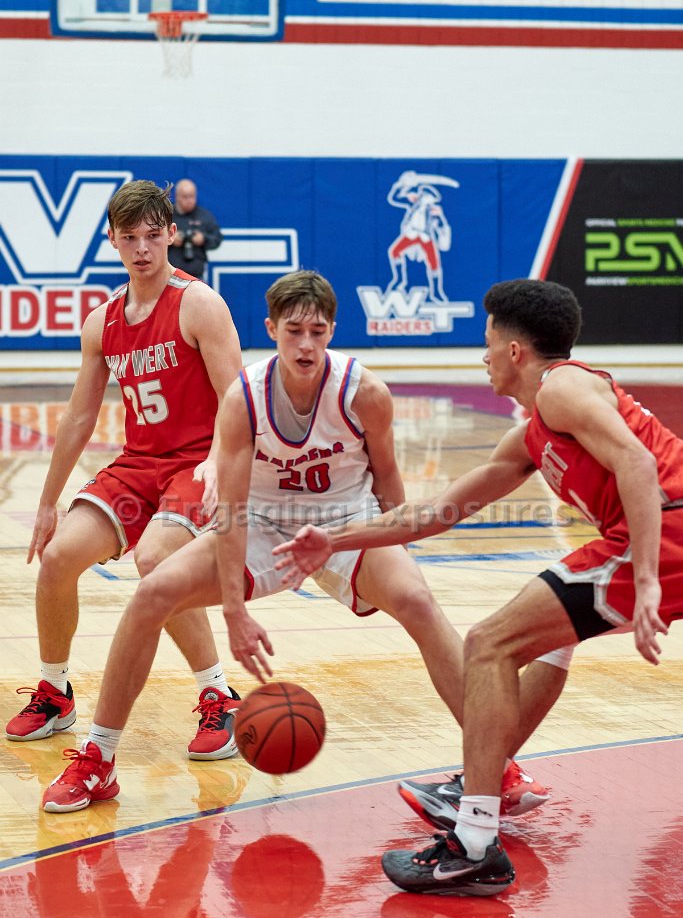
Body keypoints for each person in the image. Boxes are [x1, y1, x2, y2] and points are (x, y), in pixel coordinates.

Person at [39, 270, 565, 812]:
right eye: (294, 331)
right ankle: (99, 760)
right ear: (272, 330)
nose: (306, 345)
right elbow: (233, 512)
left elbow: (387, 479)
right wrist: (236, 612)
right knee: (151, 595)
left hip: (345, 521)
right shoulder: (244, 398)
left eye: (317, 332)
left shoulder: (365, 393)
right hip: (265, 523)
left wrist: (397, 556)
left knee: (417, 601)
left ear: (332, 330)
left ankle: (497, 767)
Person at [275, 276, 683, 896]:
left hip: (664, 533)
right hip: (656, 536)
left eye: (488, 342)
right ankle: (482, 781)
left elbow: (638, 462)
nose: (482, 355)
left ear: (515, 351)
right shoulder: (531, 433)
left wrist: (647, 579)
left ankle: (473, 841)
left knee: (489, 643)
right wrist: (334, 539)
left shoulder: (562, 386)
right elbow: (435, 513)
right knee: (544, 637)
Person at [6, 179, 244, 763]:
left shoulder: (199, 304)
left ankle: (219, 694)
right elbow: (78, 416)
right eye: (130, 237)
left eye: (152, 236)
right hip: (139, 464)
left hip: (194, 463)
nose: (142, 248)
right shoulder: (102, 321)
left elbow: (238, 399)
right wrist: (48, 502)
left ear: (171, 235)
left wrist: (218, 462)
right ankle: (55, 692)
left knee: (156, 561)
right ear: (112, 239)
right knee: (57, 557)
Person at [168, 178, 222, 281]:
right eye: (185, 197)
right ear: (177, 196)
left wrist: (203, 239)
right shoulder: (167, 215)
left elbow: (217, 238)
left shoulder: (204, 216)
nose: (189, 200)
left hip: (196, 275)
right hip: (171, 275)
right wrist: (170, 239)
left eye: (192, 196)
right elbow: (154, 238)